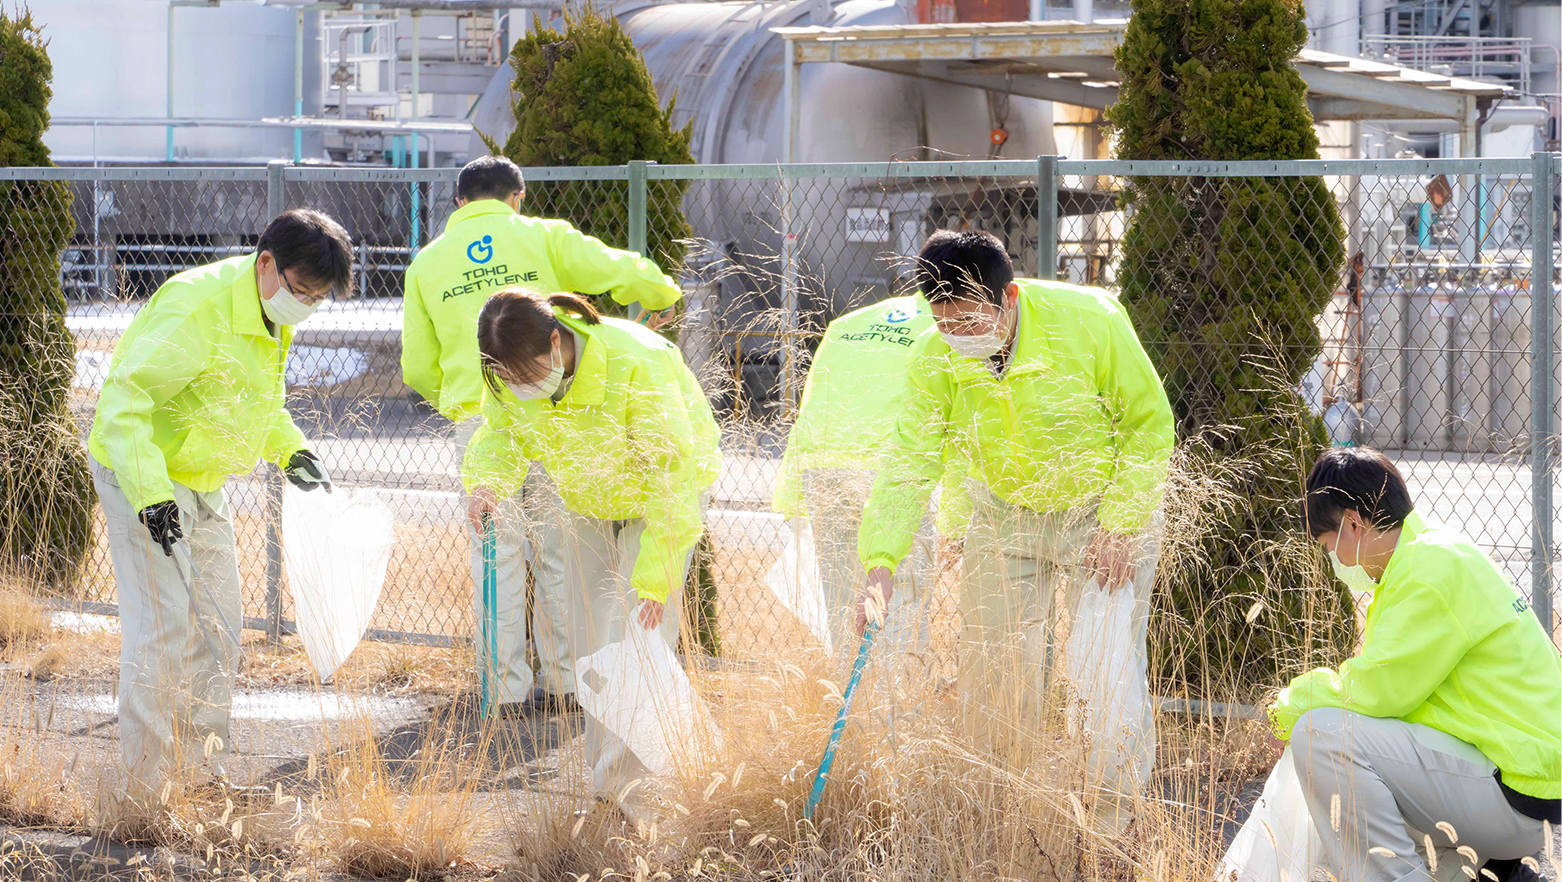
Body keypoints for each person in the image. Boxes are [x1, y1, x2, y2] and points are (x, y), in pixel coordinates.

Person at [854, 230, 1175, 830]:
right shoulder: (935, 355)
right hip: (1004, 515)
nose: (958, 335)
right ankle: (1000, 819)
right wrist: (881, 560)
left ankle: (1111, 829)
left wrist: (1121, 523)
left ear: (1008, 299)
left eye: (970, 319)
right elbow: (909, 461)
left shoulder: (1091, 320)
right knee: (991, 673)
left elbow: (1149, 423)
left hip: (1100, 515)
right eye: (944, 321)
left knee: (1102, 675)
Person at [401, 155, 683, 716]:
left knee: (495, 555)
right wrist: (662, 294)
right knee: (564, 553)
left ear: (459, 203)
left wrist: (460, 404)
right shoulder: (541, 236)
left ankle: (501, 691)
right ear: (517, 197)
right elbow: (618, 268)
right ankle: (568, 683)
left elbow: (415, 367)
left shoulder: (426, 265)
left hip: (482, 421)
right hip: (556, 416)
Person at [89, 208, 353, 795]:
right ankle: (146, 791)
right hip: (141, 471)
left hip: (201, 478)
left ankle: (196, 773)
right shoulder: (196, 307)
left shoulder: (271, 314)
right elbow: (123, 403)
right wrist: (153, 500)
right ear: (267, 264)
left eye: (318, 298)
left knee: (218, 627)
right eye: (302, 291)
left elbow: (256, 404)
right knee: (162, 631)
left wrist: (291, 452)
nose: (306, 306)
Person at [1219, 447, 1560, 882]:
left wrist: (1289, 706)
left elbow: (1379, 691)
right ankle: (1486, 872)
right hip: (1527, 784)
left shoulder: (1426, 571)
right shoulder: (1436, 553)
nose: (1335, 562)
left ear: (1355, 524)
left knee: (1322, 735)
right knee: (1360, 776)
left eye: (1328, 545)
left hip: (1516, 791)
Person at [462, 287, 720, 827]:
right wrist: (487, 483)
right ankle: (608, 789)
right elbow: (502, 435)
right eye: (504, 379)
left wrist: (655, 578)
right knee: (590, 645)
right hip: (586, 498)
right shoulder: (508, 379)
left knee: (635, 642)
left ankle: (637, 797)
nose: (517, 387)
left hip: (660, 502)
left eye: (524, 373)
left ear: (557, 342)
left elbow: (672, 480)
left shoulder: (635, 360)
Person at [772, 292, 959, 658]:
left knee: (845, 608)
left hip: (826, 466)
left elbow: (811, 402)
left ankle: (853, 708)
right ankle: (899, 712)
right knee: (902, 604)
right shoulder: (948, 324)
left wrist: (792, 489)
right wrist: (955, 518)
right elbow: (955, 417)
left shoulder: (849, 323)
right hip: (893, 469)